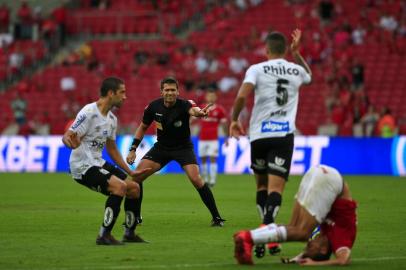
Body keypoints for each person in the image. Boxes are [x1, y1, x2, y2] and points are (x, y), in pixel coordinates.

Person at [229, 29, 312, 257]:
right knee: (276, 189)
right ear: (285, 49)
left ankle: (264, 233)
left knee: (262, 187)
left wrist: (234, 120)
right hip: (282, 136)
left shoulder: (256, 69)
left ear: (266, 50)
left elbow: (242, 96)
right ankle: (268, 234)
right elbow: (309, 76)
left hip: (258, 136)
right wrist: (297, 55)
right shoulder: (295, 69)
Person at [126, 76, 225, 226]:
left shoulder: (185, 104)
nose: (170, 93)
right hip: (162, 147)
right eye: (167, 90)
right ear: (161, 92)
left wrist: (199, 113)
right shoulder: (153, 107)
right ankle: (136, 217)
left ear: (178, 92)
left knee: (196, 179)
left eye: (173, 90)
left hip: (183, 148)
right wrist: (133, 149)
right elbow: (142, 127)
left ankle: (216, 217)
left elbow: (194, 110)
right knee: (137, 177)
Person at [62, 77, 150, 245]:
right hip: (82, 166)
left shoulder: (112, 119)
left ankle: (129, 233)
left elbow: (112, 149)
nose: (125, 97)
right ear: (111, 93)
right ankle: (103, 235)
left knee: (134, 188)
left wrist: (131, 172)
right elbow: (68, 136)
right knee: (119, 187)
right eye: (122, 92)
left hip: (97, 162)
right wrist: (68, 142)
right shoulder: (89, 112)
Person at [234, 164, 357, 266]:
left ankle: (248, 237)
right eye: (309, 249)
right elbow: (344, 260)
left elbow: (310, 250)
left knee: (293, 227)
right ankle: (248, 238)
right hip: (331, 182)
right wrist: (313, 264)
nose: (307, 246)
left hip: (317, 172)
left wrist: (297, 259)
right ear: (323, 249)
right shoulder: (342, 239)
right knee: (303, 233)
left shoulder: (325, 237)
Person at [198, 90, 228, 187]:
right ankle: (205, 179)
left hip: (213, 139)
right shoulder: (201, 108)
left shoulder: (219, 110)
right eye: (209, 96)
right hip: (202, 138)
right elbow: (193, 118)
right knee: (203, 159)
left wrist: (226, 137)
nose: (211, 98)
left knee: (212, 158)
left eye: (213, 96)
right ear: (206, 97)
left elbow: (224, 124)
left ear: (215, 98)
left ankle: (212, 180)